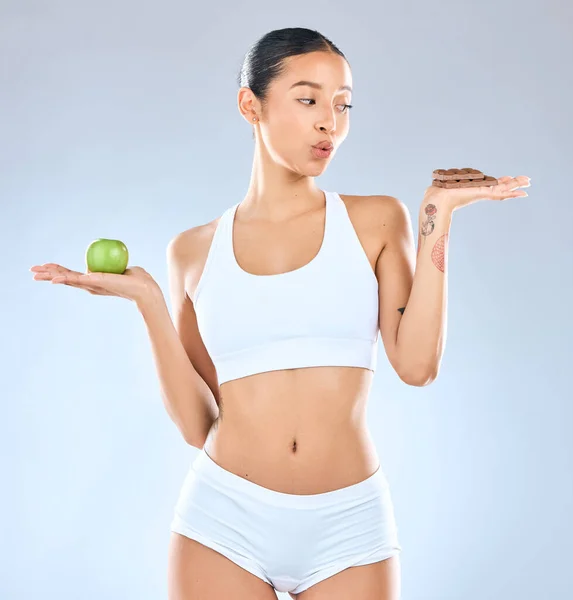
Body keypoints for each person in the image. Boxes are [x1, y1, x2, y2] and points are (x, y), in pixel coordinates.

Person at [29, 26, 531, 600]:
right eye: (308, 98)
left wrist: (438, 217)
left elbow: (417, 366)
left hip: (350, 523)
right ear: (252, 105)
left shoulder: (376, 222)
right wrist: (149, 304)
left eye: (343, 104)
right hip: (223, 520)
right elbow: (199, 425)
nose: (330, 122)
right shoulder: (192, 252)